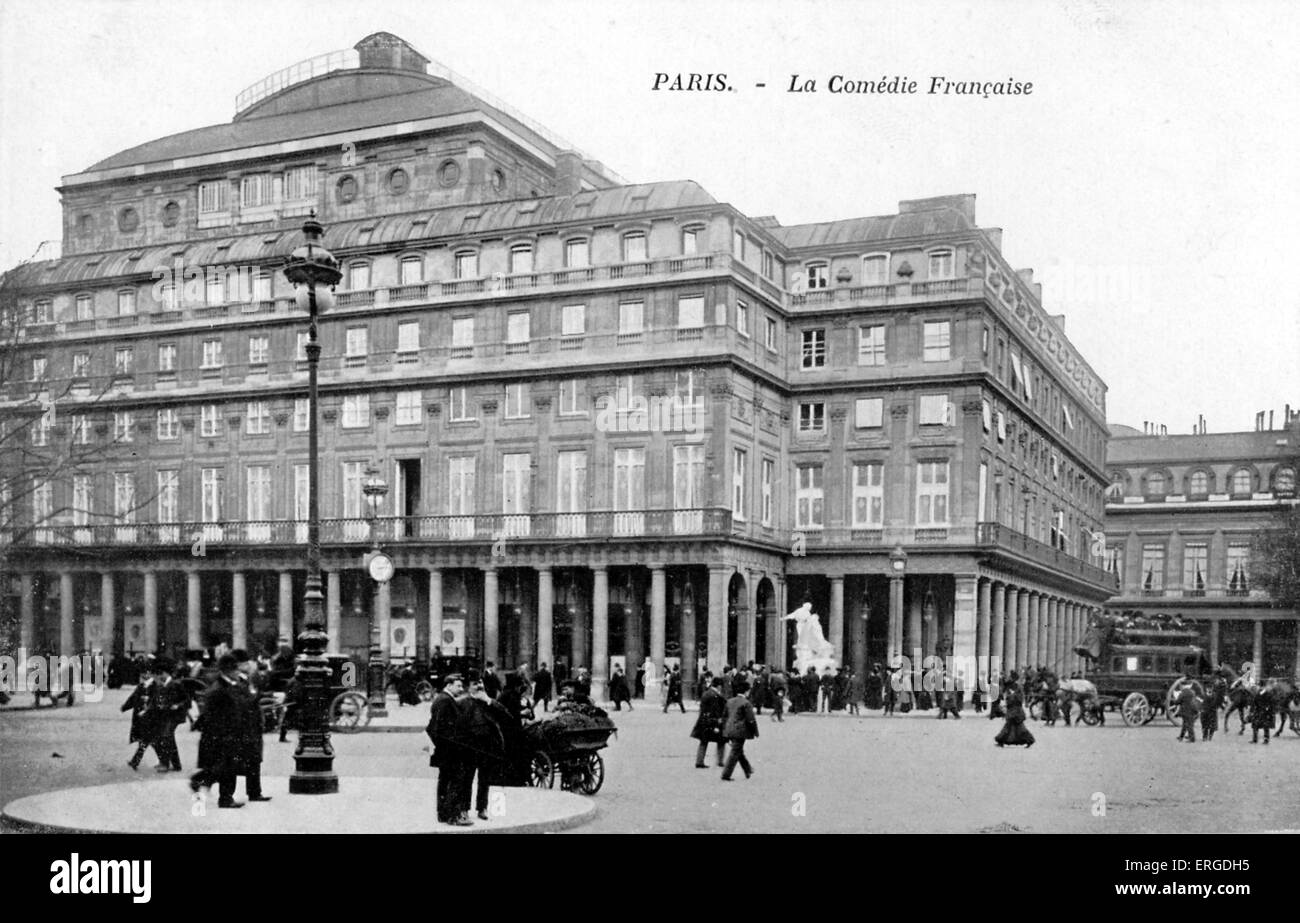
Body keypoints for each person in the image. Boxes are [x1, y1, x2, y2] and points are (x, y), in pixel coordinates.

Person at [190, 654, 248, 808]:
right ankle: (204, 784)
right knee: (225, 767)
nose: (238, 672)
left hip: (230, 733)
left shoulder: (228, 686)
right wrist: (225, 734)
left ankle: (224, 797)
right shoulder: (219, 689)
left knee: (227, 767)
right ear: (228, 671)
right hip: (222, 734)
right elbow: (212, 715)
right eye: (236, 669)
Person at [459, 678, 507, 820]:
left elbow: (505, 715)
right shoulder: (462, 703)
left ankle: (482, 808)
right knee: (467, 778)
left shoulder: (488, 702)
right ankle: (464, 809)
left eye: (481, 683)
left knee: (485, 779)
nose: (479, 686)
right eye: (475, 683)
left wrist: (489, 700)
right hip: (470, 746)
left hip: (486, 746)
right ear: (469, 688)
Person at [427, 673, 471, 825]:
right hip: (450, 751)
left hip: (445, 751)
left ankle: (444, 814)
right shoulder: (445, 701)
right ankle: (453, 816)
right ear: (449, 685)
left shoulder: (443, 699)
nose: (461, 688)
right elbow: (439, 728)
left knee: (445, 782)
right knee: (455, 782)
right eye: (458, 685)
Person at [232, 651, 271, 803]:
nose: (250, 665)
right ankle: (249, 792)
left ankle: (255, 792)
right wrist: (257, 697)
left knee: (254, 760)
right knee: (247, 760)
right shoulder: (239, 682)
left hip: (253, 726)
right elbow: (244, 702)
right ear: (240, 665)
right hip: (246, 727)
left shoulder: (247, 679)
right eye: (247, 662)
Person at [153, 659, 189, 772]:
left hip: (175, 716)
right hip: (166, 715)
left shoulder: (176, 684)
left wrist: (177, 705)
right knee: (169, 738)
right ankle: (176, 764)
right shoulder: (162, 685)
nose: (159, 677)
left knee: (165, 736)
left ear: (165, 673)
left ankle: (165, 764)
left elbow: (187, 700)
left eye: (160, 674)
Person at [720, 679, 759, 781]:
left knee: (738, 750)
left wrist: (724, 729)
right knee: (735, 752)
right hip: (740, 731)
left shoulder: (729, 701)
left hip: (729, 730)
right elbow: (750, 720)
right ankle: (726, 774)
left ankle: (748, 769)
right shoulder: (746, 703)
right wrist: (755, 731)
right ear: (746, 691)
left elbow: (724, 717)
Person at [122, 665, 159, 771]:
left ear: (151, 674)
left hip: (150, 718)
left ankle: (136, 761)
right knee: (146, 740)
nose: (144, 675)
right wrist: (125, 707)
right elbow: (133, 698)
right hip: (140, 718)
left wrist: (148, 708)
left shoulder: (155, 686)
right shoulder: (141, 686)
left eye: (147, 673)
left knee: (147, 740)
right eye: (143, 673)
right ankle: (136, 761)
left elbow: (156, 701)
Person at [692, 677, 727, 768]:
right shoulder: (715, 696)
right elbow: (715, 710)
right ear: (719, 686)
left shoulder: (706, 693)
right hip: (713, 721)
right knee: (721, 740)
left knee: (704, 741)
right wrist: (718, 720)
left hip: (703, 721)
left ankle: (699, 761)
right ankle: (720, 760)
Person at [994, 680, 1035, 748]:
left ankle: (1029, 740)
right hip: (1012, 712)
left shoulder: (1018, 693)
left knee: (1019, 728)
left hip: (1017, 713)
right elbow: (1008, 702)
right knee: (1009, 728)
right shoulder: (1012, 693)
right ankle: (1001, 741)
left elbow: (1018, 701)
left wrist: (1011, 697)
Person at [1175, 677, 1201, 742]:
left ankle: (1192, 739)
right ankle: (1181, 737)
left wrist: (1175, 700)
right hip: (1192, 710)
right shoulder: (1192, 692)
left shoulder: (1183, 693)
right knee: (1186, 725)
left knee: (1189, 725)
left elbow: (1177, 702)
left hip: (1186, 711)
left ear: (1183, 686)